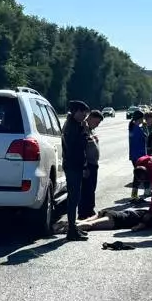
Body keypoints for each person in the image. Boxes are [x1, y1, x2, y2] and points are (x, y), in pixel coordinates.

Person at [62, 100, 91, 241]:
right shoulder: (72, 127)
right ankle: (71, 231)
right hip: (73, 166)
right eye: (82, 112)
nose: (85, 115)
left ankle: (73, 227)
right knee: (73, 199)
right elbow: (77, 147)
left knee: (75, 198)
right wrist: (85, 132)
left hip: (76, 165)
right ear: (75, 112)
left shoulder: (75, 125)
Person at [79, 109, 103, 219]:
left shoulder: (91, 129)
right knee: (86, 190)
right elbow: (81, 149)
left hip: (93, 164)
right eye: (97, 122)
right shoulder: (84, 129)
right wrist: (84, 166)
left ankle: (90, 209)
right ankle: (84, 213)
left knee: (92, 188)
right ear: (91, 118)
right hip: (87, 165)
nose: (97, 125)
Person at [127, 110, 149, 197]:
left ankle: (134, 194)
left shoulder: (132, 127)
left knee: (137, 175)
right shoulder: (137, 129)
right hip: (139, 155)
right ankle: (137, 194)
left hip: (134, 155)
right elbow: (146, 139)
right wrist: (145, 129)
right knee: (140, 174)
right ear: (140, 119)